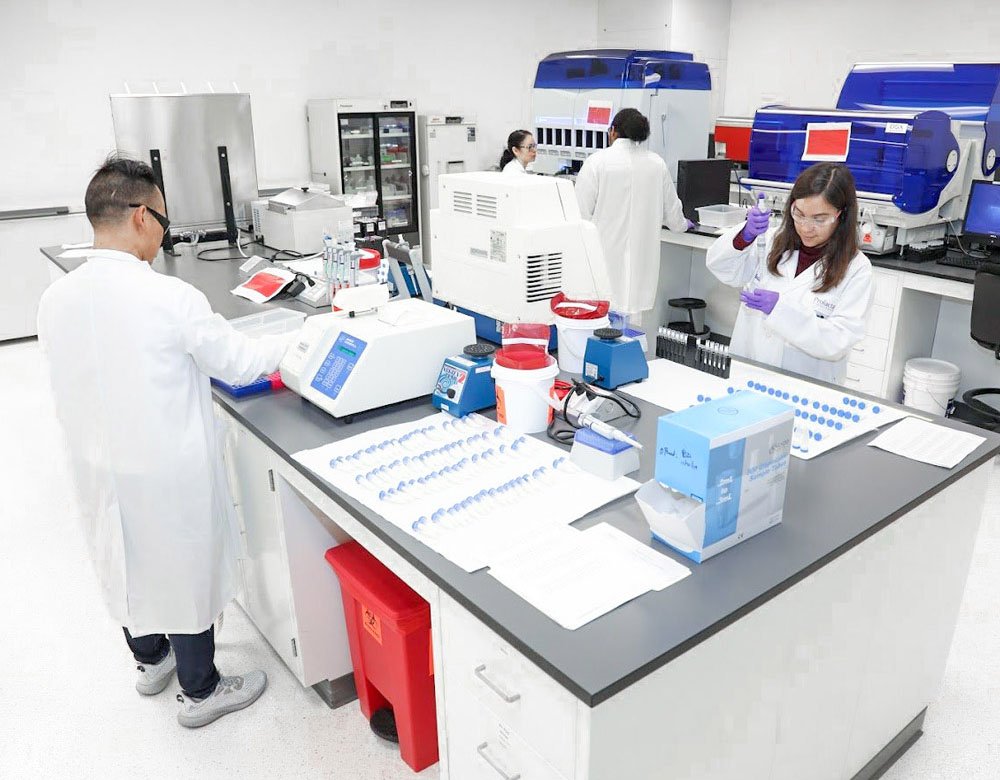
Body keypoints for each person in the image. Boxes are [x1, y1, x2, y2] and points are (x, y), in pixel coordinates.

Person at [37, 156, 296, 728]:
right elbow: (240, 362)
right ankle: (202, 691)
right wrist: (303, 336)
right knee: (181, 569)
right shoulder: (168, 297)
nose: (163, 234)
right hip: (164, 467)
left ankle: (151, 661)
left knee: (122, 560)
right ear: (140, 216)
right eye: (163, 220)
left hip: (95, 463)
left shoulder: (55, 298)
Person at [705, 162, 873, 384]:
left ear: (841, 216)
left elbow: (837, 341)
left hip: (805, 385)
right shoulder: (771, 241)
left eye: (819, 219)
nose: (806, 227)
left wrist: (781, 311)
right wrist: (744, 236)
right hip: (748, 370)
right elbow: (721, 267)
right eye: (799, 214)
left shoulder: (857, 269)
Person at [575, 108, 691, 317]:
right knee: (632, 320)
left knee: (600, 317)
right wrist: (685, 225)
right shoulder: (656, 163)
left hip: (602, 259)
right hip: (641, 266)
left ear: (612, 131)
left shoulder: (597, 162)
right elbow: (674, 217)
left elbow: (580, 214)